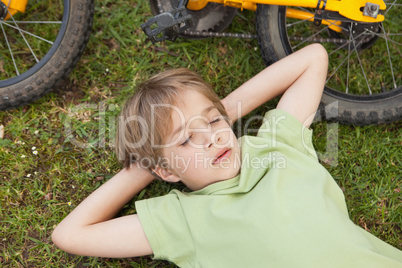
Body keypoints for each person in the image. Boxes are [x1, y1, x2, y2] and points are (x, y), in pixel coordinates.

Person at [52, 44, 402, 267]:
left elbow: (313, 58)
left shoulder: (276, 146)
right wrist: (146, 167)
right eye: (187, 140)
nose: (211, 138)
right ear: (166, 171)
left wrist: (219, 116)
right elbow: (70, 234)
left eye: (214, 122)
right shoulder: (182, 220)